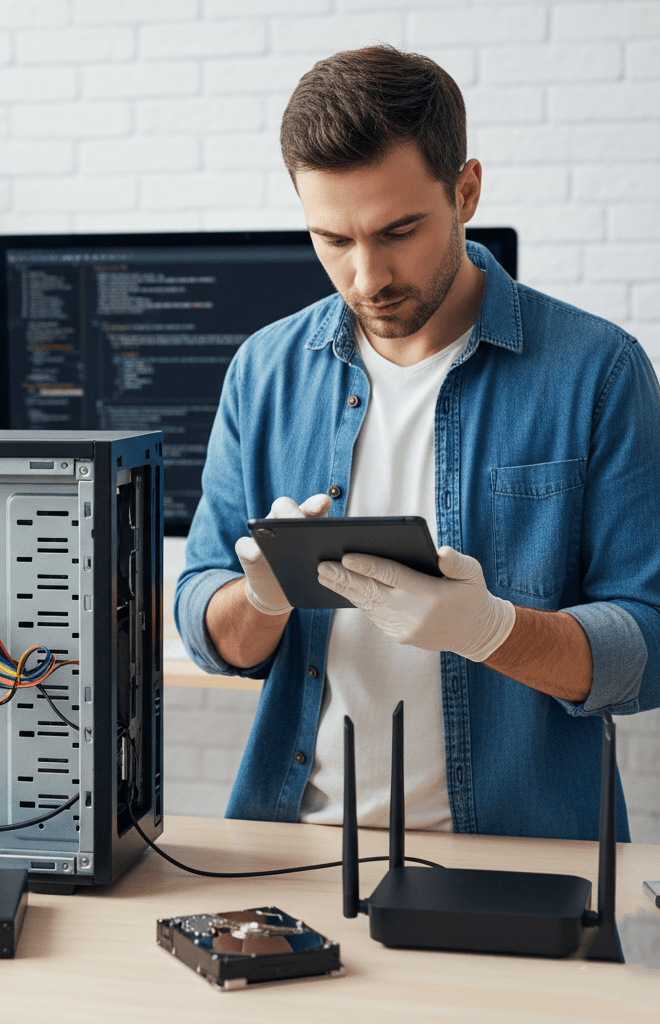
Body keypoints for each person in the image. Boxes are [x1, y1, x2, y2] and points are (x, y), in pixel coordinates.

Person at [174, 45, 660, 843]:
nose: (367, 277)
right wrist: (261, 599)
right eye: (333, 239)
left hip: (521, 858)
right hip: (297, 843)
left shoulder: (598, 371)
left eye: (398, 231)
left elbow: (649, 643)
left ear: (465, 190)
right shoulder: (264, 371)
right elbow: (205, 622)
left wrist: (491, 631)